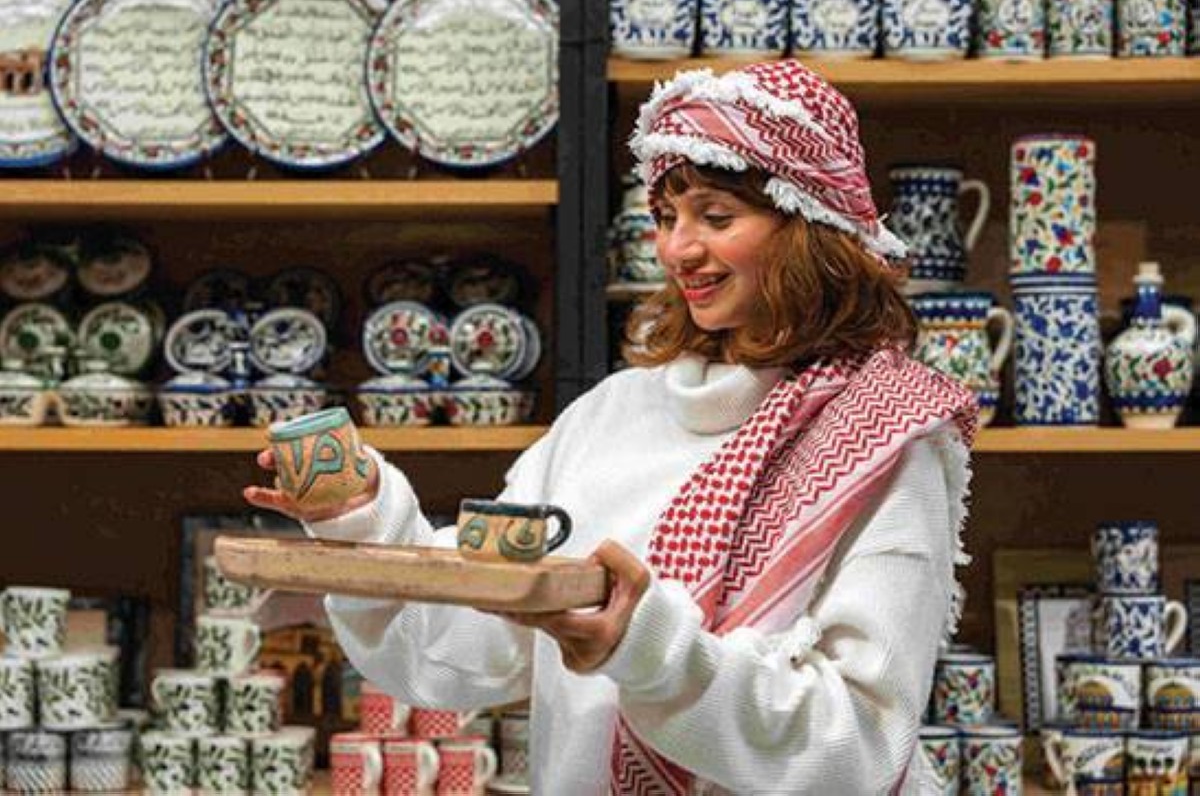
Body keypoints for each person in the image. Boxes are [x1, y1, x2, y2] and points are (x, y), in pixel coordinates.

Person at [244, 59, 977, 795]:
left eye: (716, 217)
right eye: (666, 217)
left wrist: (650, 651)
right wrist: (364, 518)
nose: (678, 249)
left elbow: (858, 743)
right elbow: (460, 648)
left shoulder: (887, 439)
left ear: (809, 227)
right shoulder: (610, 416)